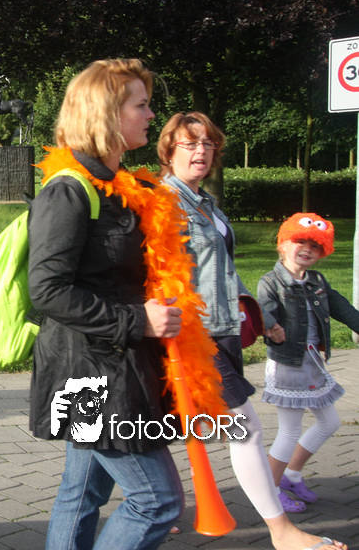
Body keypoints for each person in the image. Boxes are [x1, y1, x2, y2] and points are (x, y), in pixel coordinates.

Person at [27, 59, 227, 550]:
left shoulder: (125, 189)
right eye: (142, 105)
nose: (152, 114)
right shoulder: (68, 191)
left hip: (115, 365)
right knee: (157, 501)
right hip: (91, 372)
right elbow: (47, 289)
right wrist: (139, 319)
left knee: (82, 492)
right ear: (107, 113)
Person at [158, 113, 343, 550]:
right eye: (190, 144)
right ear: (168, 150)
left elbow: (221, 269)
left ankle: (150, 507)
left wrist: (259, 315)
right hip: (194, 335)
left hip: (221, 329)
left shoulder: (205, 203)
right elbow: (153, 269)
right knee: (247, 428)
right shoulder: (165, 202)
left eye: (208, 144)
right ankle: (281, 531)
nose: (201, 151)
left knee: (160, 424)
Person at [259, 213, 359, 520]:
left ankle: (292, 474)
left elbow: (342, 308)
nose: (307, 249)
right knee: (289, 431)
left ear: (322, 252)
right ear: (282, 245)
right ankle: (270, 490)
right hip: (288, 365)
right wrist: (271, 326)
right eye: (299, 241)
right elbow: (260, 308)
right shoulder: (271, 281)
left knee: (330, 423)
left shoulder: (317, 282)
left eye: (315, 245)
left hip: (313, 363)